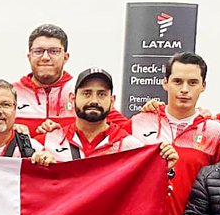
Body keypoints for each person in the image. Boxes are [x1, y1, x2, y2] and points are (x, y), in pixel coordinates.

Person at [129, 53, 220, 215]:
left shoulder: (216, 132)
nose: (184, 90)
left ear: (203, 86)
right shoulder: (138, 122)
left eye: (192, 83)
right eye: (177, 81)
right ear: (165, 83)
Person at [42, 68, 174, 165]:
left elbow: (148, 189)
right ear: (72, 99)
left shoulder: (131, 147)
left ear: (112, 101)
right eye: (87, 93)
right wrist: (36, 163)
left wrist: (165, 168)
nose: (94, 101)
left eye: (101, 94)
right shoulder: (49, 141)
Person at [12, 24, 77, 135]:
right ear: (29, 57)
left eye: (54, 51)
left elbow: (114, 128)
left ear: (65, 57)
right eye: (38, 51)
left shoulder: (81, 91)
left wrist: (63, 132)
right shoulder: (11, 92)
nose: (45, 57)